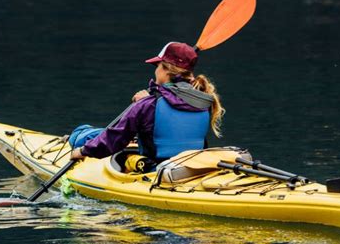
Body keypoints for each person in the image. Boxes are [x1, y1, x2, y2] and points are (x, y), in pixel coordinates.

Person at [69, 42, 224, 168]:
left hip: (154, 170)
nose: (155, 71)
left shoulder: (148, 104)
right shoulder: (204, 101)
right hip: (192, 167)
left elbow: (113, 140)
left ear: (166, 70)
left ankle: (74, 138)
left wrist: (82, 152)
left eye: (157, 66)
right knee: (97, 133)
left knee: (83, 134)